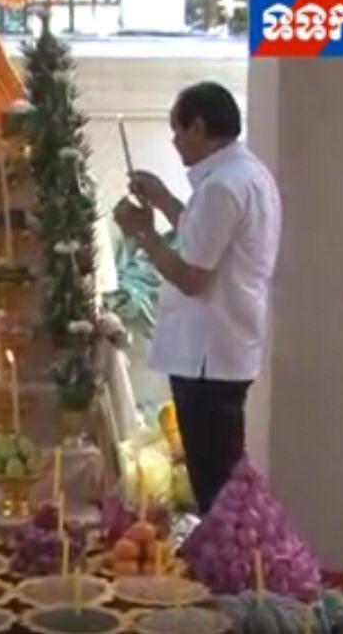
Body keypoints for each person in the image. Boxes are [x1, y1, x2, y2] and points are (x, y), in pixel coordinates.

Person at [113, 81, 281, 514]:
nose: (174, 141)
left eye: (178, 130)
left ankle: (229, 565)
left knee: (215, 478)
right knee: (222, 470)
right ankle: (232, 556)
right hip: (228, 345)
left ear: (200, 126)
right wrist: (165, 200)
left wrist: (144, 234)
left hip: (207, 352)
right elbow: (202, 236)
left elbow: (192, 277)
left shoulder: (221, 188)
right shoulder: (247, 174)